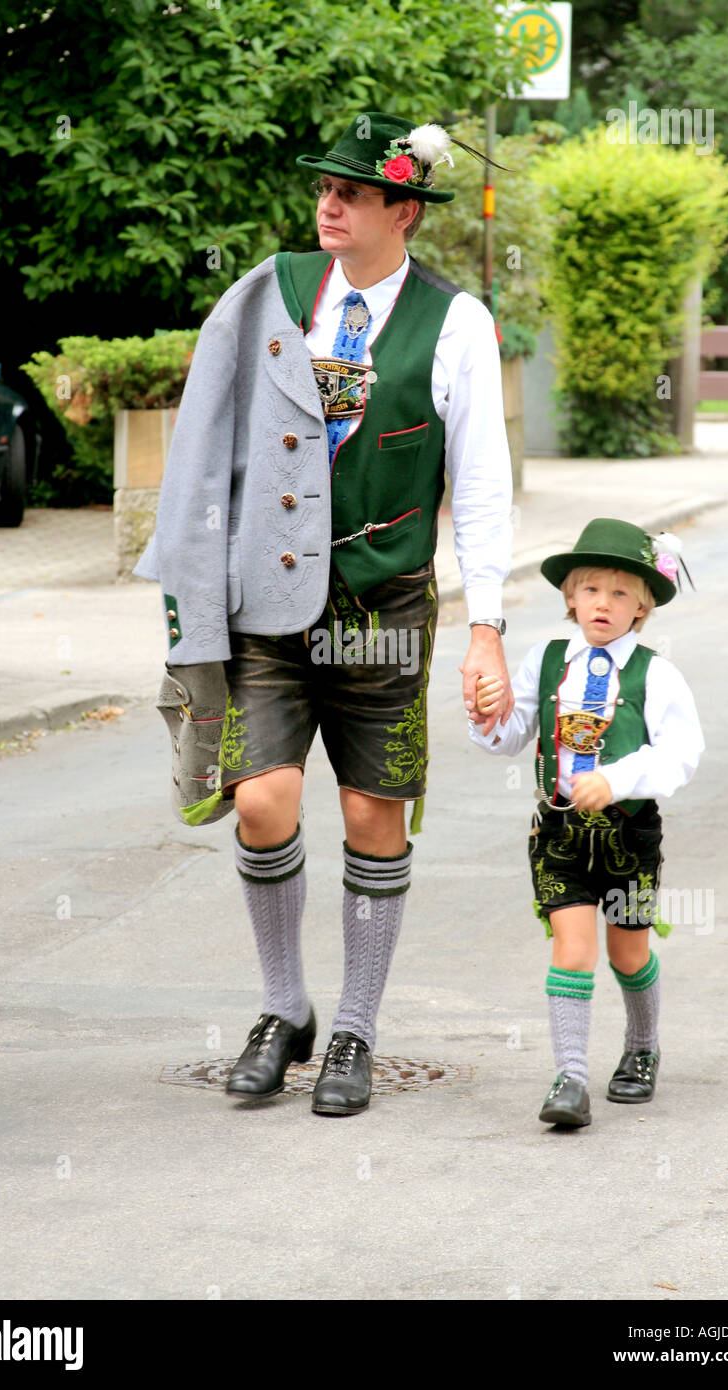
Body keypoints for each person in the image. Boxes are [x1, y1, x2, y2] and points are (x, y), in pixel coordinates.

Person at [135, 112, 514, 1115]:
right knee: (260, 800)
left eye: (352, 191)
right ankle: (283, 1007)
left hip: (382, 605)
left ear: (405, 209)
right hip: (264, 598)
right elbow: (203, 442)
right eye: (323, 188)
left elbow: (477, 483)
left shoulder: (455, 322)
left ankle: (354, 1024)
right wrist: (188, 596)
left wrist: (489, 624)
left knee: (366, 812)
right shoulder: (265, 293)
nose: (328, 204)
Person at [469, 519, 704, 1128]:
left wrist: (618, 779)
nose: (605, 603)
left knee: (627, 954)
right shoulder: (545, 662)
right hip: (558, 834)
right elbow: (512, 734)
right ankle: (570, 1076)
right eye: (592, 589)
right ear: (570, 598)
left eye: (622, 593)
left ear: (645, 605)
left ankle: (642, 1046)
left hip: (629, 837)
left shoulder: (658, 675)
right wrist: (487, 716)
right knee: (573, 950)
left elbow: (681, 754)